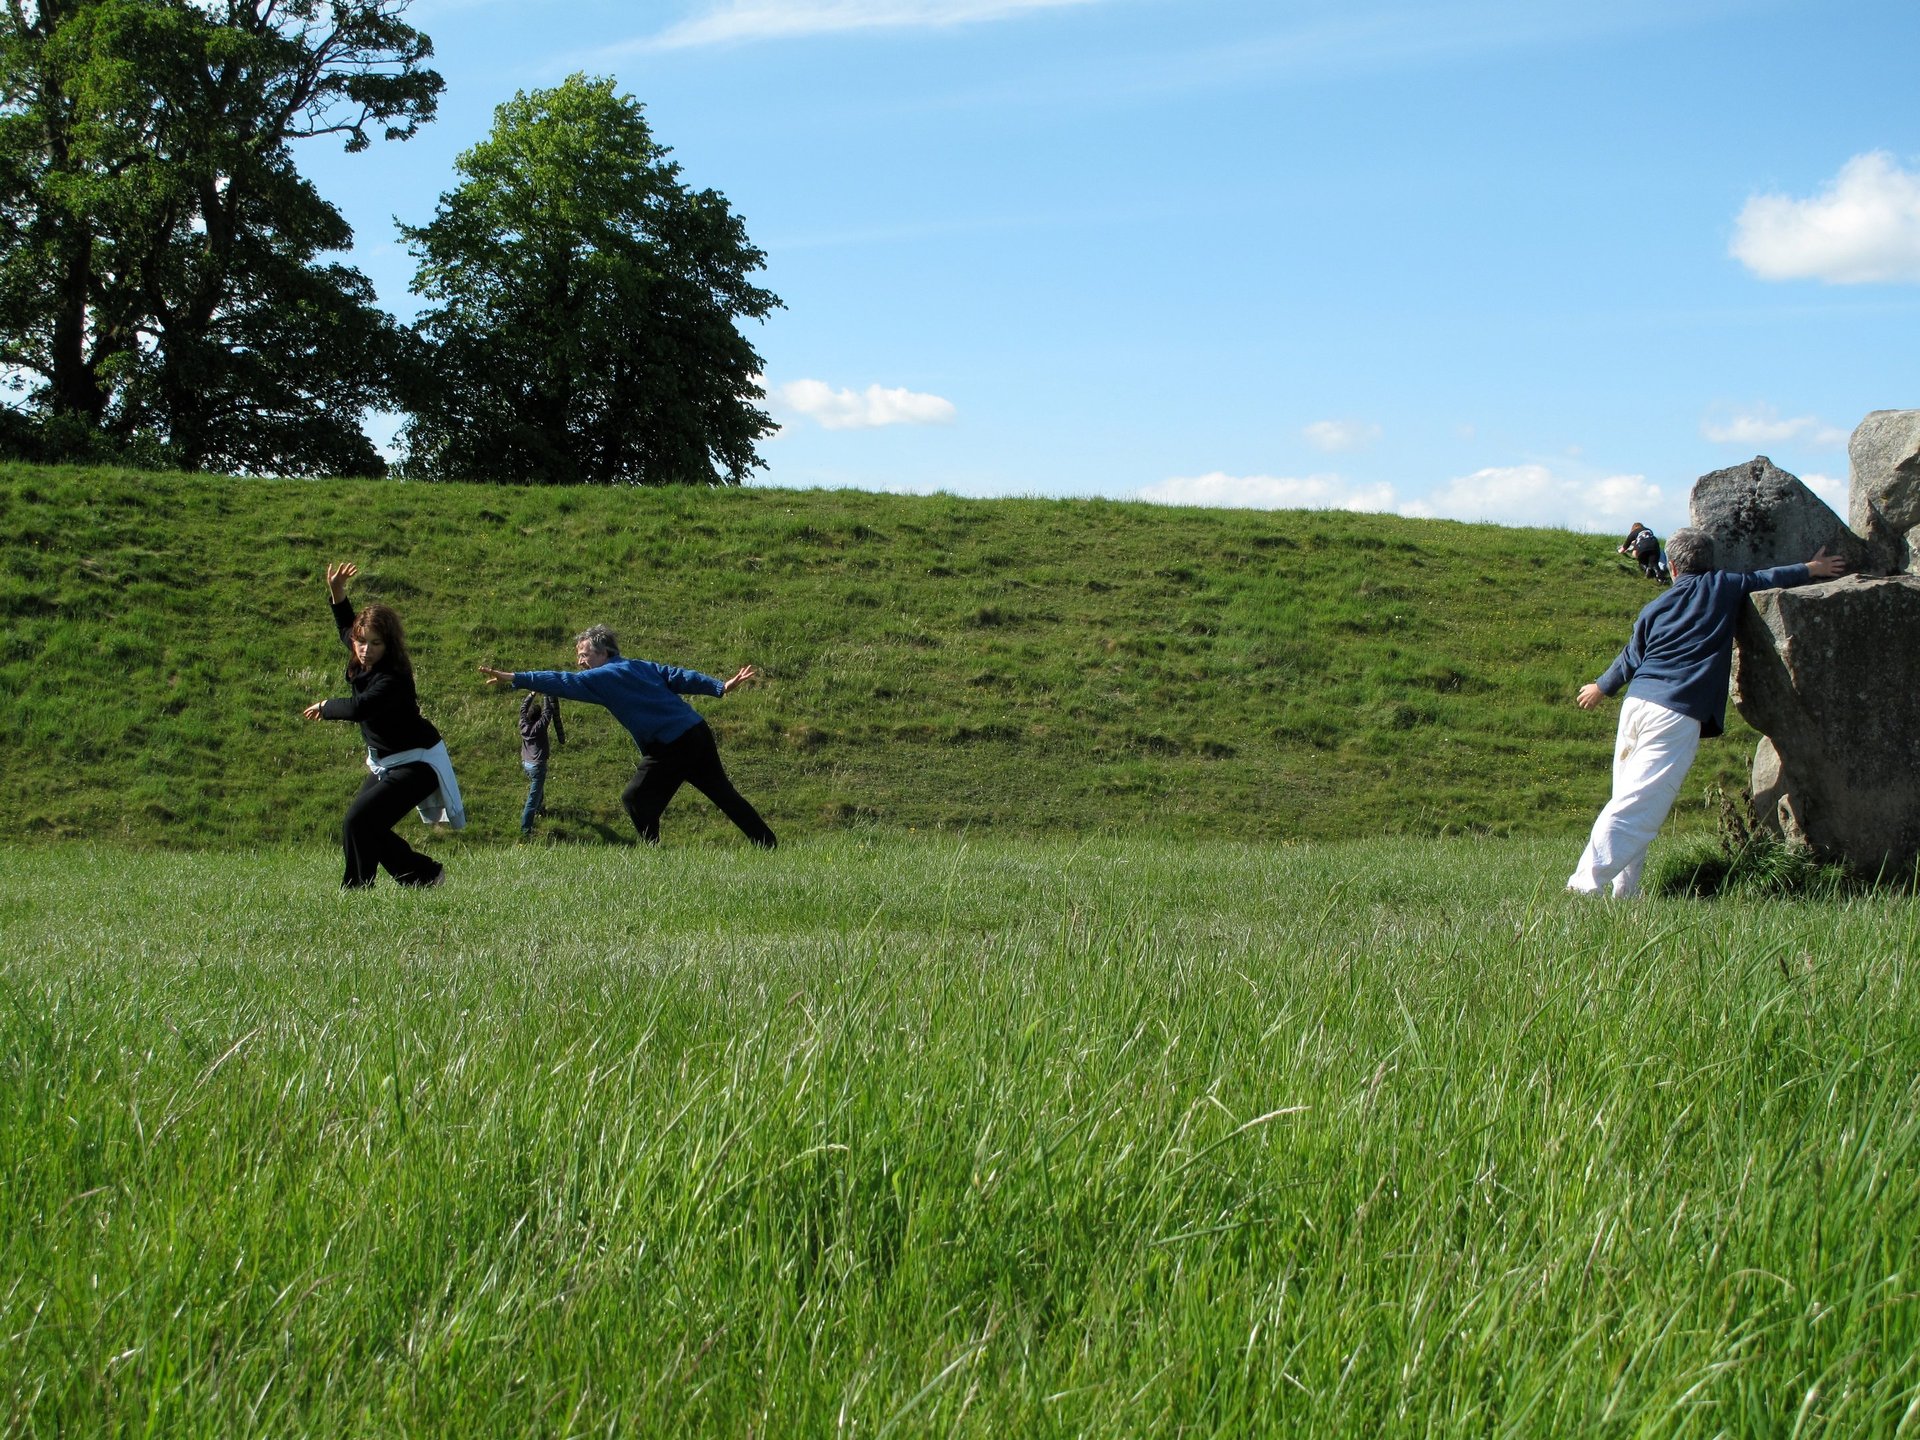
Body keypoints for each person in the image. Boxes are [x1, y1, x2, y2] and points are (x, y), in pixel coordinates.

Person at [1567, 528, 1846, 897]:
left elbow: (1632, 656)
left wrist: (1601, 687)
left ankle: (1623, 895)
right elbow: (1767, 578)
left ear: (1674, 569)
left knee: (1629, 800)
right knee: (1639, 806)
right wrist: (1813, 567)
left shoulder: (1657, 606)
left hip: (1636, 705)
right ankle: (1584, 887)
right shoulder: (1722, 586)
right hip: (1675, 711)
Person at [479, 624, 775, 848]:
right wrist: (718, 686)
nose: (581, 662)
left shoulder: (601, 676)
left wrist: (517, 678)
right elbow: (676, 675)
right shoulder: (637, 666)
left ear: (604, 652)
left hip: (671, 744)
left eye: (585, 655)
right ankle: (768, 844)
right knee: (724, 794)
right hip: (695, 732)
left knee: (634, 799)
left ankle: (655, 854)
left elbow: (562, 681)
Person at [303, 561, 463, 889]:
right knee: (361, 825)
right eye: (362, 642)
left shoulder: (393, 678)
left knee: (360, 821)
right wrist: (337, 593)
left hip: (417, 763)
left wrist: (325, 706)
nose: (365, 649)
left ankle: (363, 889)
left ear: (388, 645)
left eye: (375, 643)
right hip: (387, 762)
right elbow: (346, 627)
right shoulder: (361, 652)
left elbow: (361, 707)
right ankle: (423, 876)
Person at [518, 691, 564, 838]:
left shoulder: (523, 724)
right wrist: (546, 693)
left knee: (537, 787)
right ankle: (526, 830)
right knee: (532, 798)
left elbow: (523, 709)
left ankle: (540, 809)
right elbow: (549, 711)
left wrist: (532, 694)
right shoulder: (540, 727)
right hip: (537, 765)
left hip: (526, 763)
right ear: (538, 718)